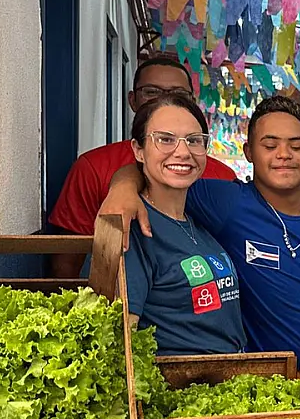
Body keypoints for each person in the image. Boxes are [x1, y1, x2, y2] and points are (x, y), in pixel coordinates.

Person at [100, 95, 300, 367]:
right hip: (255, 374)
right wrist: (122, 189)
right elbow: (114, 339)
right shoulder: (225, 203)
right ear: (248, 152)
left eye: (193, 140)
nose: (284, 154)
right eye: (270, 145)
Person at [48, 57, 237, 277]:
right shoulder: (93, 168)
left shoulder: (221, 175)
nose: (165, 100)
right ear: (132, 100)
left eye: (178, 94)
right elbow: (66, 266)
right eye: (151, 91)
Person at [123, 95, 247, 355]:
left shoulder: (198, 219)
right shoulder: (132, 230)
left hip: (226, 382)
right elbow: (122, 341)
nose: (183, 152)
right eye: (165, 139)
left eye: (194, 140)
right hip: (176, 387)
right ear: (138, 150)